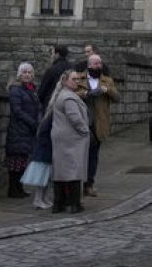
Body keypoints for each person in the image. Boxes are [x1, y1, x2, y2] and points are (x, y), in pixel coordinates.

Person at [79, 54, 120, 197]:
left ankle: (89, 184)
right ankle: (78, 183)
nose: (99, 66)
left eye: (100, 63)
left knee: (93, 155)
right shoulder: (79, 78)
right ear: (89, 65)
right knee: (80, 155)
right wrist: (87, 93)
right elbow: (73, 93)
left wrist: (107, 90)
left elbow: (117, 97)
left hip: (99, 123)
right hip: (82, 122)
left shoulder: (106, 80)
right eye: (96, 64)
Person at [50, 69, 90, 213]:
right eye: (74, 79)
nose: (77, 82)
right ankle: (74, 204)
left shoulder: (62, 95)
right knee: (73, 170)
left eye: (78, 79)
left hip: (63, 137)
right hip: (71, 138)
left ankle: (59, 203)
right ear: (65, 80)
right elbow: (75, 118)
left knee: (61, 171)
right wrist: (85, 130)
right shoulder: (68, 98)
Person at [4, 62, 40, 198]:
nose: (27, 75)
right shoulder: (15, 90)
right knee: (15, 161)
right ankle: (13, 189)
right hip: (18, 130)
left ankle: (19, 187)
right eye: (24, 72)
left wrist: (38, 120)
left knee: (23, 161)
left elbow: (38, 107)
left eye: (30, 72)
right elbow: (17, 111)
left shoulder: (31, 90)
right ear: (20, 74)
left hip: (28, 131)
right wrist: (33, 122)